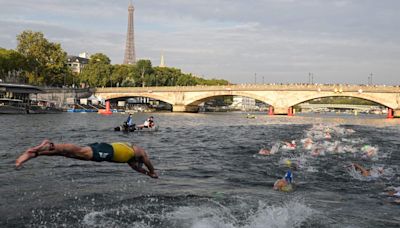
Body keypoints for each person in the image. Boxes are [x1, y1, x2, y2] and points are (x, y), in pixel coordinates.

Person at [15, 139, 158, 178]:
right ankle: (50, 144)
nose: (138, 163)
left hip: (103, 154)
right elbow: (146, 159)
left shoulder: (131, 161)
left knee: (70, 154)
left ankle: (37, 154)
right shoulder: (136, 150)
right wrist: (152, 171)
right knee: (79, 150)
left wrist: (148, 174)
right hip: (107, 150)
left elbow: (139, 169)